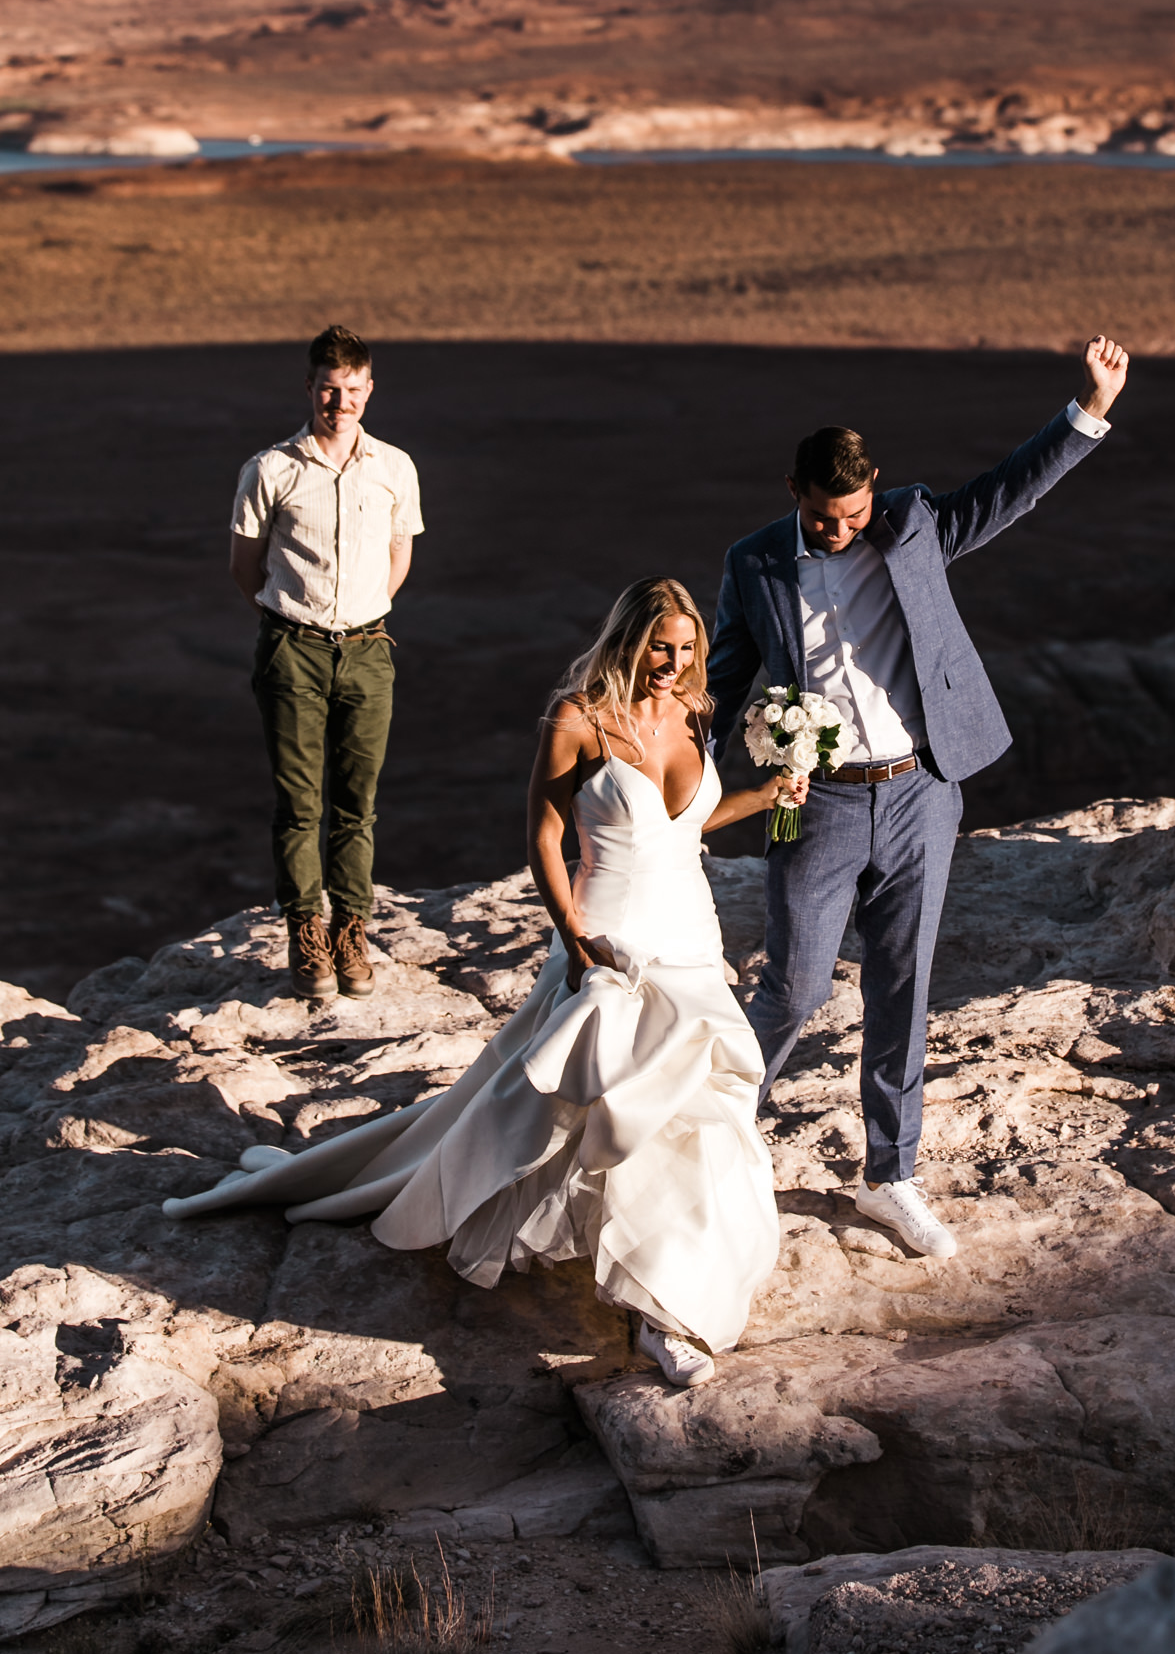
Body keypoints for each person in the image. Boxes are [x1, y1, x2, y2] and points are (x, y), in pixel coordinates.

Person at [164, 578, 803, 1390]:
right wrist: (571, 934)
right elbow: (543, 829)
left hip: (691, 934)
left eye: (685, 650)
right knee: (615, 1103)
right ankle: (657, 1316)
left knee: (695, 1111)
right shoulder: (577, 717)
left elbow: (685, 824)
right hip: (612, 934)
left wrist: (762, 795)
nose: (671, 665)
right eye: (658, 648)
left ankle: (670, 1288)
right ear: (627, 641)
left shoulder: (695, 711)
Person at [706, 334, 1131, 1261]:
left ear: (874, 492)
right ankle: (702, 1140)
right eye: (824, 516)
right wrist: (671, 786)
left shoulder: (909, 523)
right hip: (808, 802)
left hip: (918, 791)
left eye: (852, 512)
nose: (840, 529)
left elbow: (1005, 490)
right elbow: (719, 678)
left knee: (902, 986)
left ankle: (890, 1175)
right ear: (794, 494)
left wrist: (1086, 410)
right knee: (794, 987)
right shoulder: (754, 564)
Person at [229, 325, 423, 1004]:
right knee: (298, 801)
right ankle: (305, 933)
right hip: (293, 649)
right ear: (308, 388)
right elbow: (244, 566)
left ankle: (352, 930)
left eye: (351, 390)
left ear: (369, 391)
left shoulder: (394, 468)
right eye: (327, 389)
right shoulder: (270, 470)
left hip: (368, 651)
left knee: (357, 803)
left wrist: (364, 610)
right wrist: (293, 621)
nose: (338, 403)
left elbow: (400, 552)